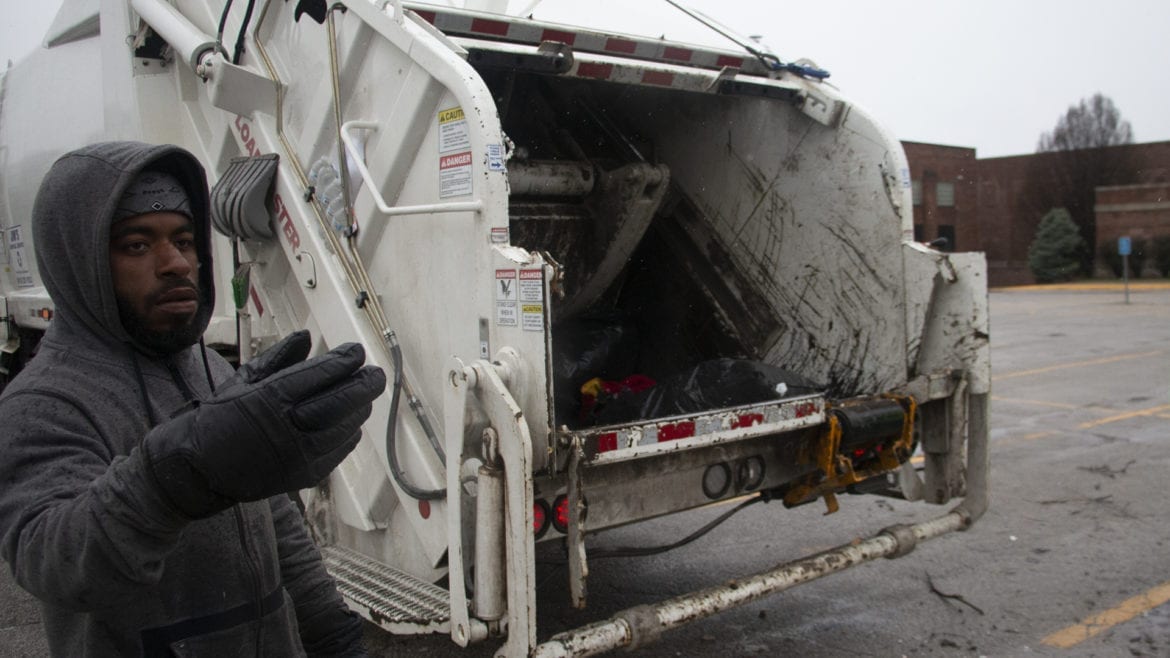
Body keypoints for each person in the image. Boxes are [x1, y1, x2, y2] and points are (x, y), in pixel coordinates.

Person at [0, 141, 386, 656]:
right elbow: (53, 560)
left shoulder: (208, 367)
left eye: (184, 240)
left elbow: (273, 519)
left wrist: (327, 626)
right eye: (137, 245)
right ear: (78, 260)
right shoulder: (42, 403)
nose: (176, 263)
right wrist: (171, 478)